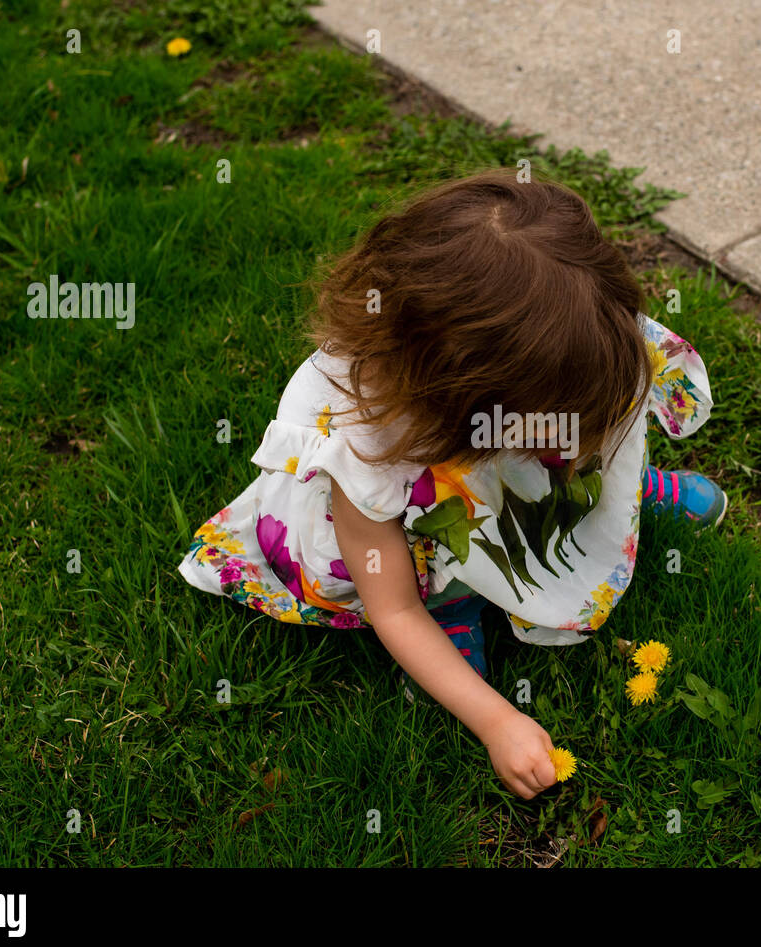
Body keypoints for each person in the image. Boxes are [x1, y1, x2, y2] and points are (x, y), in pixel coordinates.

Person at [178, 168, 725, 799]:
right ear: (459, 412)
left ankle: (609, 496)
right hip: (405, 534)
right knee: (431, 546)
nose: (571, 446)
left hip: (487, 433)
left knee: (572, 445)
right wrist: (496, 719)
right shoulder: (368, 451)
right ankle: (456, 599)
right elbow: (394, 608)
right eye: (550, 436)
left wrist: (584, 448)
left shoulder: (575, 328)